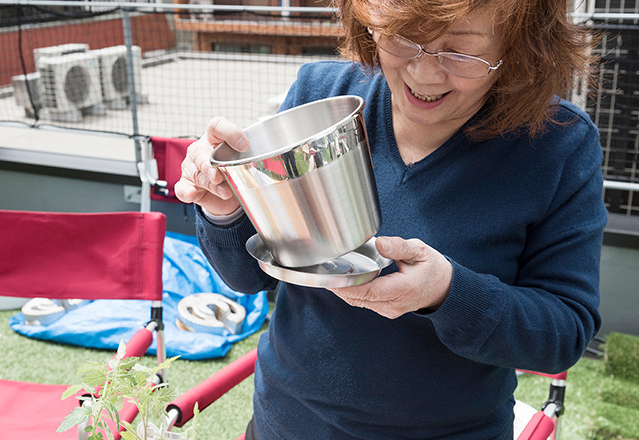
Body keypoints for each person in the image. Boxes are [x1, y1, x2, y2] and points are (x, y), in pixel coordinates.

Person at [175, 0, 608, 438]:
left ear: (517, 51)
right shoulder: (322, 98)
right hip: (285, 424)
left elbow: (564, 332)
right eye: (404, 38)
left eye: (460, 53)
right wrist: (224, 207)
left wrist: (447, 292)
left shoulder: (557, 145)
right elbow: (251, 276)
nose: (425, 74)